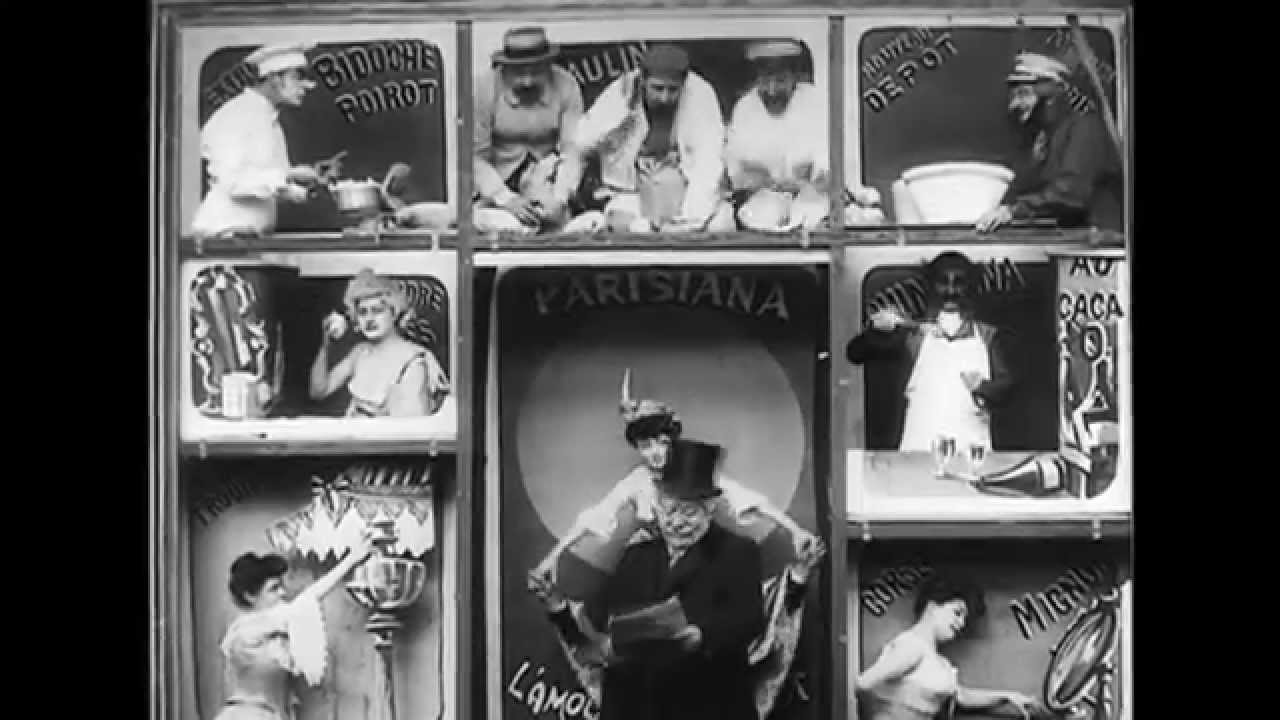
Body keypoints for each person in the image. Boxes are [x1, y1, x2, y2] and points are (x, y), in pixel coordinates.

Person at [530, 439, 765, 720]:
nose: (676, 522)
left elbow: (749, 620)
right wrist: (557, 606)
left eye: (688, 512)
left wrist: (702, 636)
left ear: (710, 508)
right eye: (668, 509)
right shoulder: (637, 556)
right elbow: (598, 631)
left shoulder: (737, 553)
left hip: (709, 704)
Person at [532, 368, 817, 582]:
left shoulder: (694, 470)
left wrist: (795, 530)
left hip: (699, 559)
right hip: (652, 566)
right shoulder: (637, 481)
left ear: (672, 442)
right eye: (645, 445)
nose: (654, 453)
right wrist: (552, 559)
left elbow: (747, 499)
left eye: (661, 443)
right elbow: (596, 516)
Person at [845, 251, 1013, 452]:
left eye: (959, 282)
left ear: (970, 287)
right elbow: (855, 353)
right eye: (943, 282)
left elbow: (1008, 390)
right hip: (918, 451)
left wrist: (983, 387)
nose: (951, 291)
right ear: (931, 286)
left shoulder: (987, 336)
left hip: (972, 453)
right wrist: (877, 331)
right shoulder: (914, 336)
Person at [558, 44, 734, 233]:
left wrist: (689, 220)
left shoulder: (700, 95)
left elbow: (709, 165)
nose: (665, 97)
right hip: (633, 192)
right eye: (657, 89)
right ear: (642, 80)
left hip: (686, 191)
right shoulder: (620, 93)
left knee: (721, 225)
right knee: (634, 228)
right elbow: (581, 143)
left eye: (673, 90)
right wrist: (621, 112)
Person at [216, 530, 377, 720]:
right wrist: (351, 560)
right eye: (273, 589)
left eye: (281, 586)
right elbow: (306, 600)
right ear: (250, 596)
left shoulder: (277, 630)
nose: (283, 593)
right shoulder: (246, 629)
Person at [855, 574, 1042, 720]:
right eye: (957, 612)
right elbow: (863, 684)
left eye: (964, 618)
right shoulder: (912, 646)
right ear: (933, 606)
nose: (961, 623)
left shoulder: (935, 660)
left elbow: (961, 696)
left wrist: (1008, 696)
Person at [975, 52, 1123, 233]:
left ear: (1052, 96)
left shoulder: (1085, 128)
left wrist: (1014, 211)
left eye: (1023, 94)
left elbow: (1070, 194)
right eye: (1013, 96)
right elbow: (1019, 190)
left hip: (1095, 242)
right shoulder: (1040, 138)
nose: (1014, 104)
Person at [192, 43, 323, 239]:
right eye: (297, 77)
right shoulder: (236, 115)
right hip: (224, 236)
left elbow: (268, 186)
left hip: (253, 239)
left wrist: (306, 190)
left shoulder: (271, 121)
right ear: (274, 79)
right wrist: (290, 174)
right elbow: (232, 182)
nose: (307, 86)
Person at [473, 27, 585, 233]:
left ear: (548, 66)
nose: (528, 81)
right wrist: (505, 198)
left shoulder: (567, 85)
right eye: (519, 72)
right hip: (497, 188)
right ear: (505, 68)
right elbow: (474, 158)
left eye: (536, 71)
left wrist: (560, 197)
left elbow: (573, 149)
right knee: (496, 226)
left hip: (548, 183)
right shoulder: (483, 89)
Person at [309, 269, 450, 418]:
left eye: (377, 310)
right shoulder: (360, 352)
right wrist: (325, 344)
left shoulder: (412, 360)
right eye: (363, 312)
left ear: (394, 313)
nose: (369, 319)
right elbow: (318, 391)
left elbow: (411, 426)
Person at [724, 40, 831, 231]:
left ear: (795, 77)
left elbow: (827, 164)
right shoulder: (745, 108)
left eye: (780, 80)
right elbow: (737, 169)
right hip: (762, 200)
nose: (772, 91)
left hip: (812, 198)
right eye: (765, 81)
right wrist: (761, 182)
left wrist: (806, 184)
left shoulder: (815, 102)